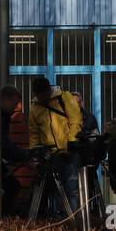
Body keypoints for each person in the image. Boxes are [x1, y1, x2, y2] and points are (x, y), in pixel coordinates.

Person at [28, 77, 82, 218]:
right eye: (39, 96)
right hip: (50, 154)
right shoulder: (35, 108)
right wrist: (35, 153)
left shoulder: (64, 98)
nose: (41, 99)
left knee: (71, 186)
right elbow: (34, 133)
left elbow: (75, 120)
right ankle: (58, 218)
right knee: (53, 189)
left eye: (43, 95)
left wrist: (71, 142)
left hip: (68, 151)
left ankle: (71, 219)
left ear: (48, 90)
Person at [0, 85, 32, 217]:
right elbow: (2, 142)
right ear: (6, 100)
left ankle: (1, 216)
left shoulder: (4, 115)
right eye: (16, 102)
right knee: (12, 186)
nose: (18, 107)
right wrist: (22, 155)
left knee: (12, 185)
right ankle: (0, 217)